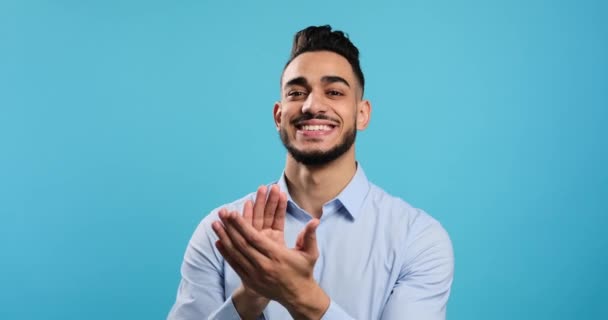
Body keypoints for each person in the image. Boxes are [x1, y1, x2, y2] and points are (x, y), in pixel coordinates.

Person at [167, 25, 454, 320]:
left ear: (362, 113)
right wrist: (249, 297)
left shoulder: (417, 238)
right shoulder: (222, 233)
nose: (312, 105)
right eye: (296, 92)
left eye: (334, 92)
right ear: (279, 116)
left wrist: (303, 297)